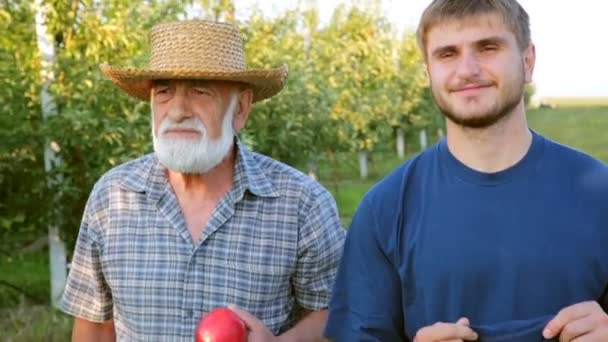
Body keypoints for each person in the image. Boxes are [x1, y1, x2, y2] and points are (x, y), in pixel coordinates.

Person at [324, 0, 608, 341]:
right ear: (428, 73)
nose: (467, 69)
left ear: (527, 61)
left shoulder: (599, 193)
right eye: (447, 54)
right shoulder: (384, 209)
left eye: (488, 47)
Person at [60, 20, 345, 341]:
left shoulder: (301, 205)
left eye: (200, 91)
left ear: (240, 108)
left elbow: (334, 312)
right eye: (164, 91)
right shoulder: (112, 197)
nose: (178, 110)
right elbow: (96, 325)